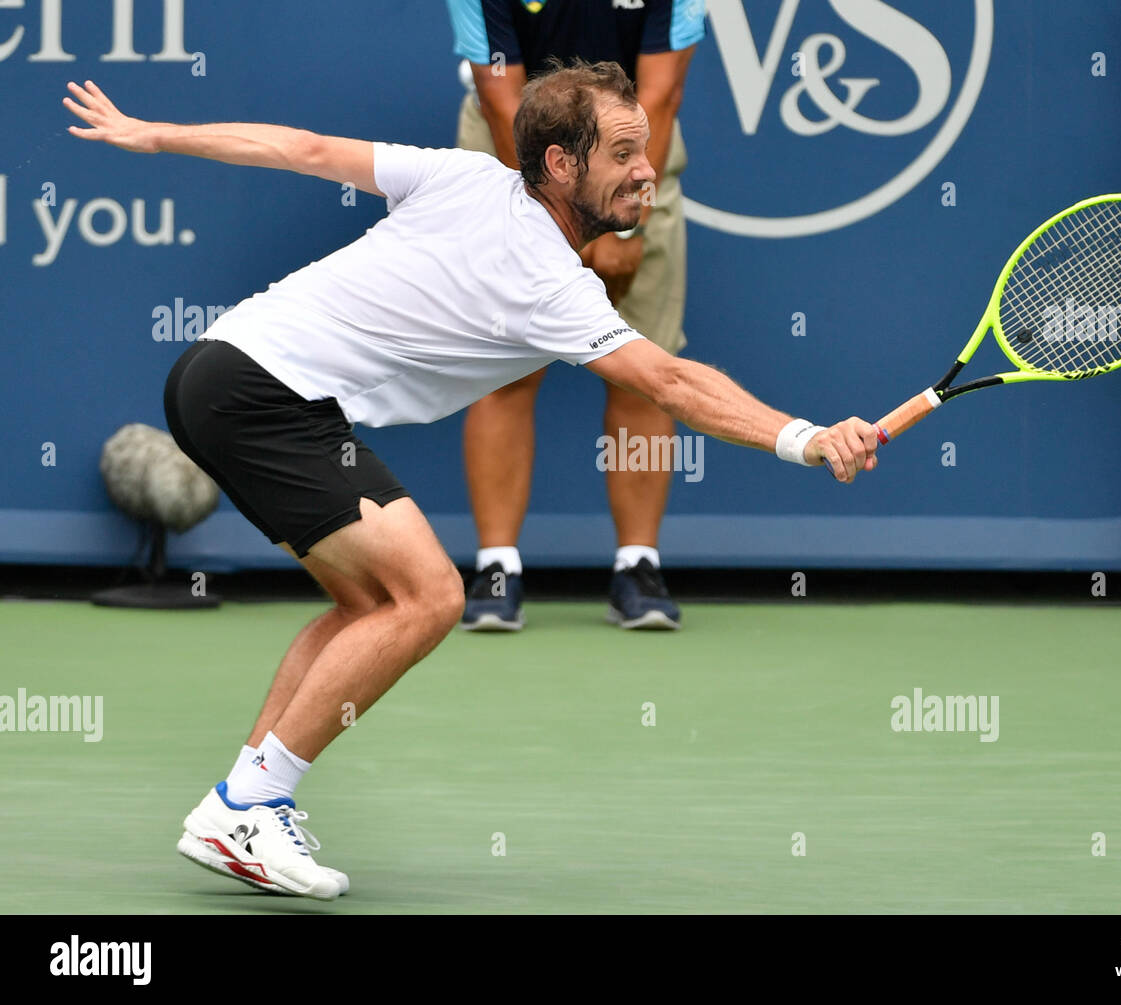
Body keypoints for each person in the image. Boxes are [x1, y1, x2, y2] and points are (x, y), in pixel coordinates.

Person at [63, 62, 878, 900]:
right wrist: (807, 439)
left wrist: (155, 135)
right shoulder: (551, 283)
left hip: (221, 371)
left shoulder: (464, 174)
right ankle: (249, 803)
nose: (646, 168)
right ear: (561, 165)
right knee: (429, 596)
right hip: (266, 394)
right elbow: (670, 384)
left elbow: (299, 149)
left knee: (369, 605)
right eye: (625, 151)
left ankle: (244, 804)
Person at [449, 1, 703, 631]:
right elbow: (503, 98)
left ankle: (637, 566)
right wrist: (553, 225)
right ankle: (496, 566)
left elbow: (661, 94)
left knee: (642, 370)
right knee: (505, 367)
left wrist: (626, 215)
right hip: (513, 157)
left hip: (634, 155)